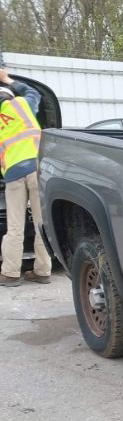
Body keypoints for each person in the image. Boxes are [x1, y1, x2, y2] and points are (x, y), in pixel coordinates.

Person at [0, 68, 49, 286]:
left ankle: (10, 274)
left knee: (15, 226)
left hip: (13, 174)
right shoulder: (23, 104)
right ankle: (43, 271)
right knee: (41, 224)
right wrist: (7, 79)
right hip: (37, 169)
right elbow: (35, 93)